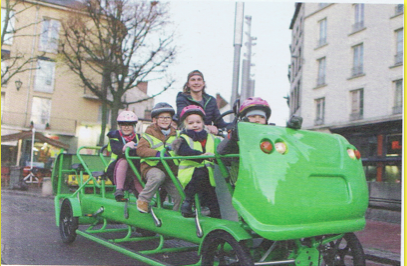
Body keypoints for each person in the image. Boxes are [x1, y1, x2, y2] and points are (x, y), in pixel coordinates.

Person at [217, 96, 302, 164]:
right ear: (243, 118)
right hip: (243, 173)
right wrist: (234, 135)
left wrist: (290, 131)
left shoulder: (271, 133)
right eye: (253, 117)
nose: (257, 120)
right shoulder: (236, 134)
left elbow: (287, 147)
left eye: (261, 117)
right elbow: (221, 151)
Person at [172, 105, 221, 218]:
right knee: (201, 173)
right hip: (189, 175)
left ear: (203, 123)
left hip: (210, 176)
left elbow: (220, 150)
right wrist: (202, 156)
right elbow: (184, 151)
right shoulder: (182, 138)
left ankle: (216, 217)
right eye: (190, 123)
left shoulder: (211, 137)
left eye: (198, 122)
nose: (195, 125)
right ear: (185, 124)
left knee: (214, 196)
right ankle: (188, 202)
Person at [136, 102, 182, 213]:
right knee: (158, 176)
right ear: (154, 120)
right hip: (152, 167)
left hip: (170, 170)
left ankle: (177, 215)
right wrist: (157, 154)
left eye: (168, 117)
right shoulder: (148, 134)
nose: (165, 120)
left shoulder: (177, 134)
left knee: (179, 191)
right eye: (161, 117)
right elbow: (141, 149)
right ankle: (143, 200)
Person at [176, 70, 230, 134]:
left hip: (206, 136)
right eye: (193, 80)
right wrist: (205, 127)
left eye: (199, 80)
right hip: (188, 134)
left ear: (203, 83)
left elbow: (219, 122)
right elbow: (183, 117)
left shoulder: (211, 100)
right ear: (188, 84)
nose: (196, 82)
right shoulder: (182, 98)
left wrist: (234, 126)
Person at [106, 110, 142, 202]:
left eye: (129, 125)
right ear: (120, 126)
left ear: (134, 126)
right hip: (116, 168)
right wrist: (124, 147)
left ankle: (145, 199)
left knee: (137, 175)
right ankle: (119, 189)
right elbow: (115, 149)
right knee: (124, 161)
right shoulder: (114, 136)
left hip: (134, 167)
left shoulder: (139, 137)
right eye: (123, 124)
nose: (126, 127)